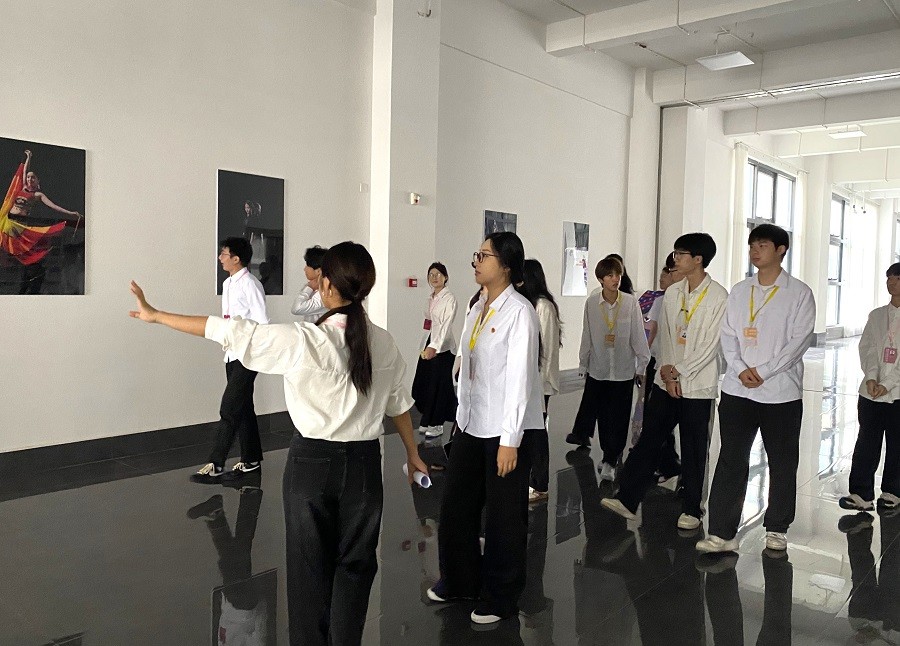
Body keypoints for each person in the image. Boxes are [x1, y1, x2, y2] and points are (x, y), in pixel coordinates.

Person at [129, 241, 429, 646]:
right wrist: (412, 454)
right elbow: (399, 405)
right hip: (363, 467)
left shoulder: (304, 340)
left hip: (312, 466)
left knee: (308, 574)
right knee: (356, 569)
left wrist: (156, 315)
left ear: (326, 284)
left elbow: (225, 330)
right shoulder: (384, 342)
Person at [428, 231, 545, 625]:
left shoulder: (520, 312)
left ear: (506, 265)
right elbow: (468, 363)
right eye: (476, 255)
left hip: (505, 429)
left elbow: (520, 381)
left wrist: (510, 441)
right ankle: (459, 580)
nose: (476, 262)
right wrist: (460, 414)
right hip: (471, 422)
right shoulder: (477, 306)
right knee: (456, 505)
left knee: (504, 516)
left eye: (484, 255)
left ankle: (500, 595)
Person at [697, 223, 815, 555]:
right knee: (731, 459)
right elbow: (728, 334)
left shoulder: (799, 293)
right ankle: (721, 532)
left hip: (780, 393)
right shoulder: (740, 291)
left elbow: (799, 342)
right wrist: (739, 368)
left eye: (762, 245)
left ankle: (777, 527)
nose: (754, 251)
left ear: (781, 250)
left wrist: (762, 371)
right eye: (752, 245)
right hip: (737, 391)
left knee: (782, 462)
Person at [602, 233, 728, 531]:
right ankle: (627, 499)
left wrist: (680, 371)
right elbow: (669, 337)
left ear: (698, 259)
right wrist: (668, 372)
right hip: (666, 382)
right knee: (650, 438)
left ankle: (692, 510)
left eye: (681, 253)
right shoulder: (673, 293)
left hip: (698, 385)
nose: (675, 258)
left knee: (694, 449)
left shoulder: (718, 297)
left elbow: (711, 346)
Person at [190, 238, 270, 485]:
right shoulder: (228, 283)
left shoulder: (250, 284)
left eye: (224, 254)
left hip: (247, 354)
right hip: (231, 353)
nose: (220, 258)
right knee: (243, 407)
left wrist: (251, 349)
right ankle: (251, 460)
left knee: (229, 408)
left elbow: (263, 322)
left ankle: (216, 463)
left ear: (237, 259)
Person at [566, 257, 650, 481]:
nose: (615, 279)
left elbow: (638, 335)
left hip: (623, 371)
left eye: (618, 275)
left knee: (620, 418)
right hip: (599, 369)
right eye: (610, 275)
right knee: (603, 417)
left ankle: (612, 460)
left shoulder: (630, 303)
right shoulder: (592, 304)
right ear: (601, 279)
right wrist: (583, 363)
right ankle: (607, 456)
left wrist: (642, 364)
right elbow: (587, 335)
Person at [838, 263, 900, 512]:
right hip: (871, 392)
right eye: (889, 278)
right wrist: (872, 377)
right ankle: (861, 494)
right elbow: (867, 348)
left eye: (897, 278)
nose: (891, 283)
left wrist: (888, 383)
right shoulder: (876, 315)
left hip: (897, 393)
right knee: (866, 442)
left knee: (897, 444)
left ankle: (893, 491)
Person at [1, 149, 83, 293]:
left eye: (33, 178)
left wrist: (70, 213)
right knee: (12, 248)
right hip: (8, 221)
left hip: (21, 225)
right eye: (28, 178)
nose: (29, 179)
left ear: (38, 181)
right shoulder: (22, 188)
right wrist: (29, 157)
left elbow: (53, 206)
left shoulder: (38, 195)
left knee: (26, 249)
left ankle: (32, 272)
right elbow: (24, 171)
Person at [521, 259, 562, 504]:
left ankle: (540, 483)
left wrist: (537, 385)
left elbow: (545, 349)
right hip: (528, 382)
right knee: (528, 432)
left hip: (539, 383)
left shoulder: (543, 307)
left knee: (537, 433)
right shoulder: (528, 305)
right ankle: (530, 478)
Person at [411, 262, 459, 438]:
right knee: (424, 383)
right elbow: (428, 323)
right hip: (429, 341)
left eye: (438, 274)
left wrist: (435, 347)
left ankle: (437, 423)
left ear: (445, 277)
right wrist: (424, 344)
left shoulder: (449, 299)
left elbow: (445, 325)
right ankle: (426, 420)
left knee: (439, 387)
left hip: (443, 348)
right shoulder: (430, 298)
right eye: (431, 274)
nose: (434, 277)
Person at [290, 245, 328, 322]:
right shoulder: (316, 289)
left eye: (307, 266)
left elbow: (296, 309)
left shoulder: (325, 292)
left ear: (318, 271)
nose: (304, 269)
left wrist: (309, 288)